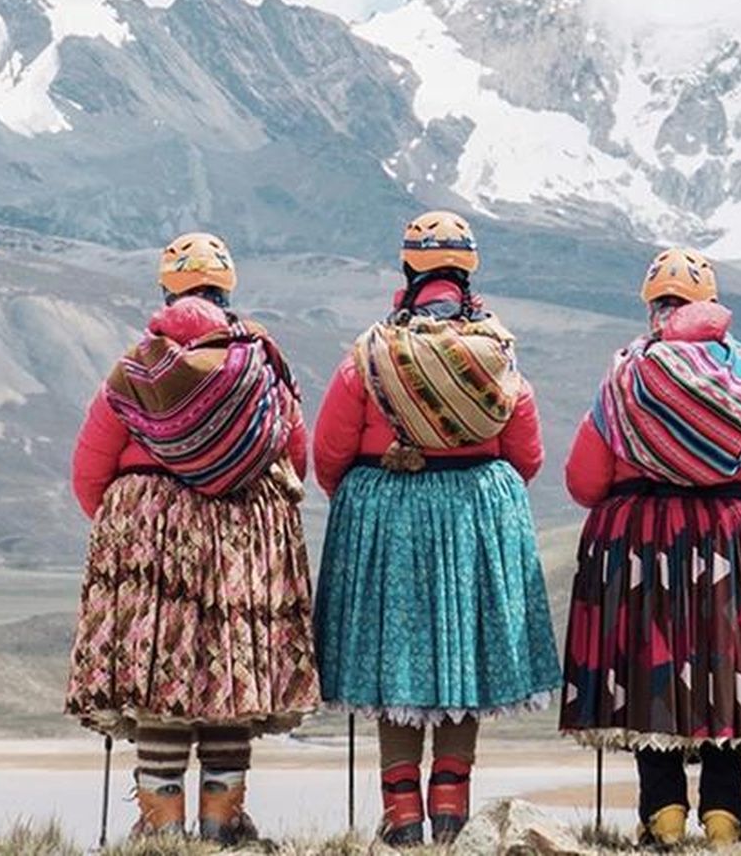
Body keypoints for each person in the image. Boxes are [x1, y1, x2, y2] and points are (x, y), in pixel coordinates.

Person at [311, 211, 560, 846]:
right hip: (473, 511)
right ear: (468, 270)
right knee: (464, 663)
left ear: (408, 271)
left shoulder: (369, 355)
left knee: (392, 669)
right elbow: (525, 454)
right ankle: (452, 808)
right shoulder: (496, 355)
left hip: (386, 514)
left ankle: (401, 816)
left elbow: (329, 455)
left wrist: (377, 492)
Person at [66, 232, 317, 843]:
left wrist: (127, 532)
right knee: (229, 683)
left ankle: (161, 825)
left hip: (149, 532)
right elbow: (296, 453)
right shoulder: (260, 364)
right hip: (240, 530)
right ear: (225, 290)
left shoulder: (132, 371)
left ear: (165, 291)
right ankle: (223, 822)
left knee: (161, 681)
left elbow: (89, 471)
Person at [559, 248, 741, 847]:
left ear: (654, 308)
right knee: (730, 674)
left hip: (645, 543)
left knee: (654, 677)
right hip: (734, 543)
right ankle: (725, 817)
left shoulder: (625, 381)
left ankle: (664, 814)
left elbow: (584, 482)